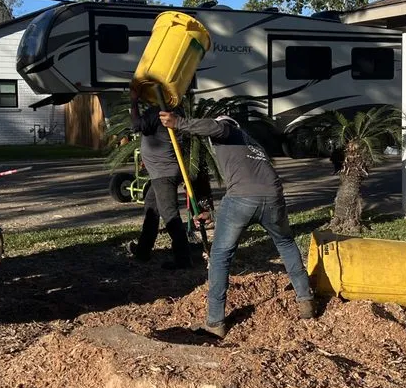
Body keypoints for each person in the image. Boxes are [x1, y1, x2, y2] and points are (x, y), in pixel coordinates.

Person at [159, 110, 315, 338]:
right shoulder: (251, 144)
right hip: (273, 198)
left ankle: (215, 323)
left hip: (243, 199)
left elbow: (218, 129)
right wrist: (214, 216)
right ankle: (306, 301)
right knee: (286, 243)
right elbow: (249, 192)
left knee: (220, 255)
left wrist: (178, 123)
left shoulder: (227, 131)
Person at [125, 84, 192, 270]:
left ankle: (183, 259)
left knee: (169, 215)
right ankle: (143, 251)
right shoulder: (174, 111)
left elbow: (137, 125)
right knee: (151, 208)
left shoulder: (159, 112)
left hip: (163, 174)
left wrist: (133, 100)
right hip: (163, 172)